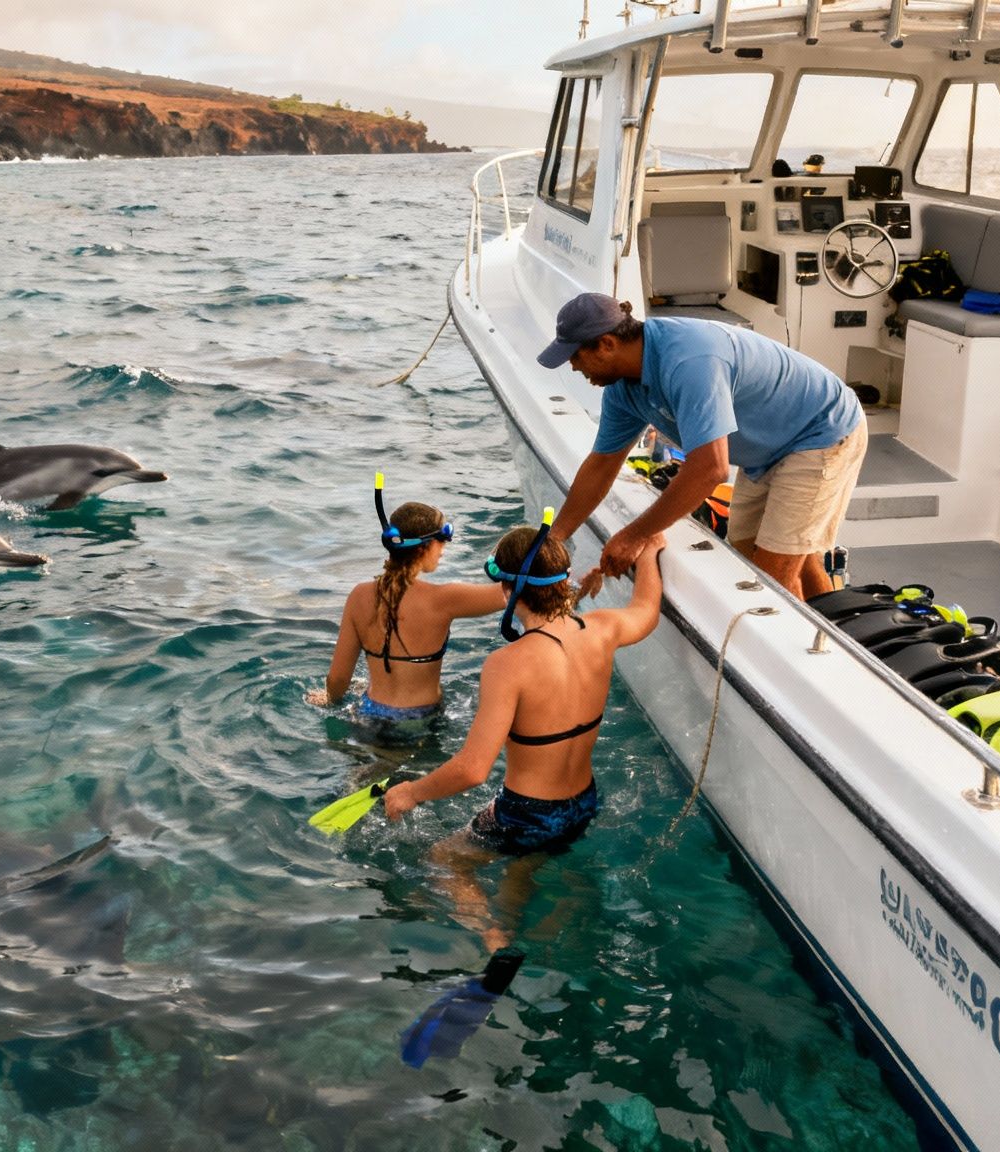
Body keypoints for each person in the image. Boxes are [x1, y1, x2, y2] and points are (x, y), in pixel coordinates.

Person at [383, 516, 664, 950]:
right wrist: (651, 553)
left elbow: (473, 770)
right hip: (582, 803)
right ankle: (521, 926)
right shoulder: (603, 630)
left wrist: (411, 792)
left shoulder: (508, 664)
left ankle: (495, 943)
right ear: (564, 579)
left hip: (526, 813)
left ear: (507, 590)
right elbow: (647, 610)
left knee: (442, 861)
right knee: (523, 865)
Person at [537, 292, 867, 599]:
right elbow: (602, 465)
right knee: (760, 550)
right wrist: (553, 540)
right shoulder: (622, 390)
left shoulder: (688, 361)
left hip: (820, 432)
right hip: (767, 451)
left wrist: (635, 534)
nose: (573, 366)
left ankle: (815, 657)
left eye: (575, 356)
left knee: (770, 582)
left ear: (607, 344)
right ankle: (834, 621)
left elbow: (711, 470)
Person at [310, 476, 508, 732]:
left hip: (369, 713)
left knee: (371, 768)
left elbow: (337, 679)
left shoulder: (358, 596)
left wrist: (330, 699)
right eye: (442, 539)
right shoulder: (444, 599)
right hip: (421, 720)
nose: (444, 548)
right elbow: (509, 593)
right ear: (423, 547)